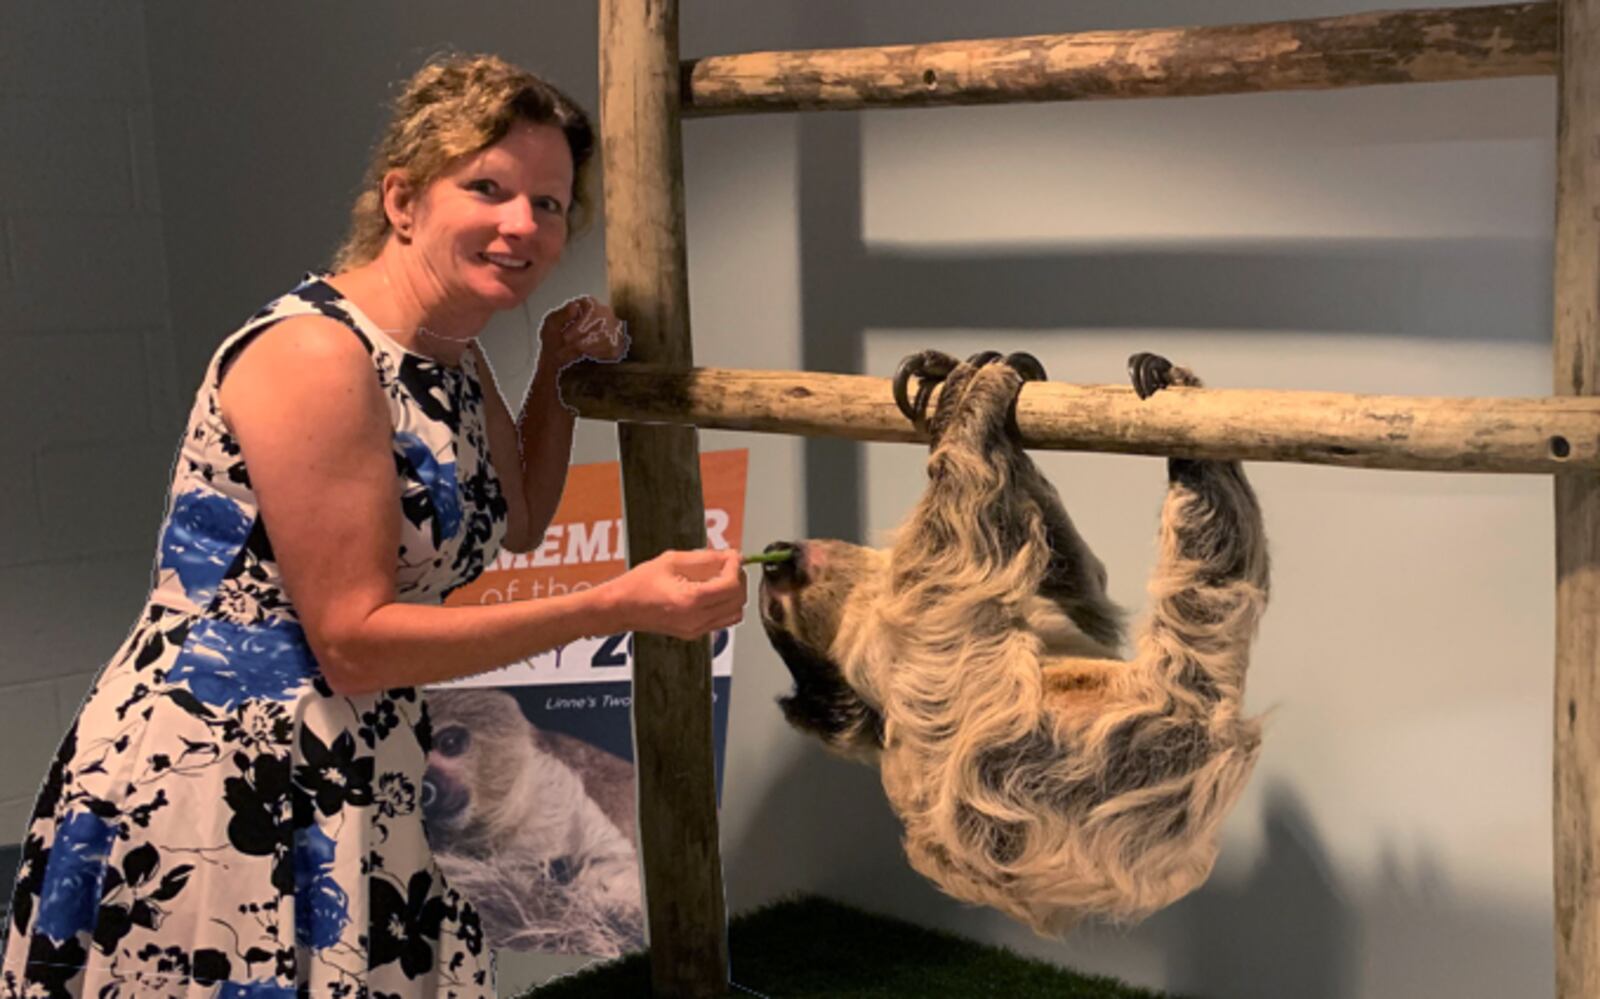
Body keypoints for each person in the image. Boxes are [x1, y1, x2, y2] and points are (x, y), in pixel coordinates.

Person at [1, 53, 746, 998]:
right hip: (232, 768)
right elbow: (352, 641)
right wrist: (617, 604)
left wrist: (555, 368)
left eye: (550, 205)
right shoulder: (316, 353)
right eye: (489, 187)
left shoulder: (453, 354)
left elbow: (516, 518)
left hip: (366, 752)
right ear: (403, 200)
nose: (523, 224)